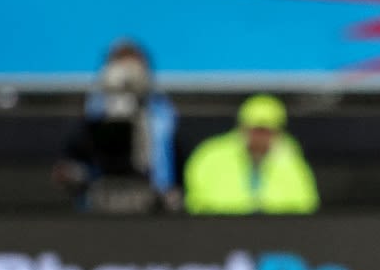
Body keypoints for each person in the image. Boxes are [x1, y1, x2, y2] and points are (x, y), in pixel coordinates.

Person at [55, 40, 183, 213]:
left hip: (154, 206)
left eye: (134, 70)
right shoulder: (89, 120)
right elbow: (71, 163)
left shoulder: (166, 119)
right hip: (98, 206)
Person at [183, 94, 319, 215]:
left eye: (266, 130)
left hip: (276, 235)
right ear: (242, 127)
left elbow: (306, 205)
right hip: (220, 231)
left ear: (278, 132)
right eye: (255, 129)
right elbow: (196, 203)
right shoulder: (210, 155)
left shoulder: (290, 159)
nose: (260, 137)